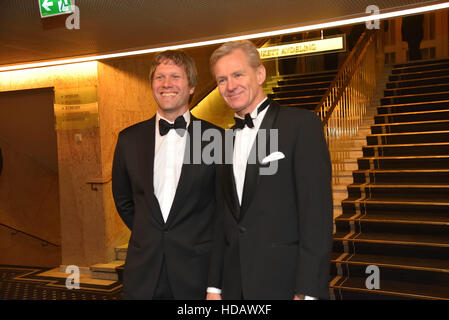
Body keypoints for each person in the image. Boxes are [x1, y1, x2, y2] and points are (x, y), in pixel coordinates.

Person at [207, 40, 333, 300]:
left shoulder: (301, 125)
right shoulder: (223, 140)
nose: (230, 86)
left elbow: (316, 216)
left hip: (284, 285)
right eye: (221, 79)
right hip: (233, 287)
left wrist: (308, 291)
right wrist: (214, 286)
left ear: (260, 74)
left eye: (238, 74)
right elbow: (223, 220)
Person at [112, 50, 221, 299]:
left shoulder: (216, 139)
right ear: (152, 85)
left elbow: (221, 208)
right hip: (143, 272)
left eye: (175, 76)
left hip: (196, 272)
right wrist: (149, 232)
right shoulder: (129, 140)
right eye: (159, 77)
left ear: (192, 86)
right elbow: (124, 201)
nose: (166, 84)